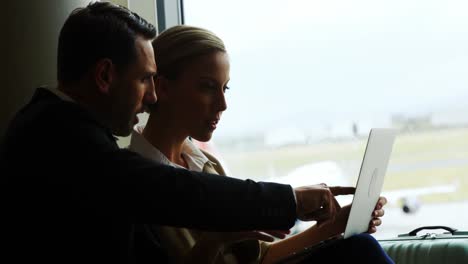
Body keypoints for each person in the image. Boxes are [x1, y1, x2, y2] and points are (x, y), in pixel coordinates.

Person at [0, 2, 359, 264]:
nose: (151, 95)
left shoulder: (58, 130)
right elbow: (174, 190)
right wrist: (291, 201)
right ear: (105, 76)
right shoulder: (65, 141)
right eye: (144, 79)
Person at [128, 25, 393, 264]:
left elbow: (259, 257)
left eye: (225, 89)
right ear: (162, 88)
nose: (222, 104)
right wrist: (215, 241)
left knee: (359, 245)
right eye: (208, 87)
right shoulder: (137, 185)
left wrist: (336, 226)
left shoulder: (207, 165)